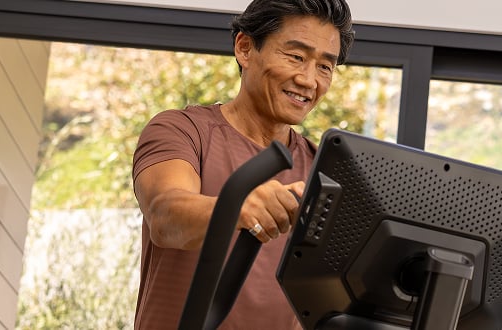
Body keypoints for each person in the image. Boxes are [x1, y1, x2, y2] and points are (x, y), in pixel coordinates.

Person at [130, 0, 355, 328]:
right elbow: (165, 215)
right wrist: (236, 206)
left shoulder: (326, 172)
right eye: (296, 57)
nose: (309, 80)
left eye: (325, 66)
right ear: (245, 48)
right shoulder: (182, 130)